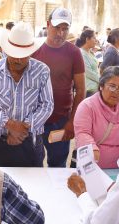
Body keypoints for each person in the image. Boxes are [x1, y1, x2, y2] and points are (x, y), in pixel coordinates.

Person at [0, 22, 53, 167]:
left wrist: (23, 128)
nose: (18, 60)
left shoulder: (42, 71)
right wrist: (9, 125)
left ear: (31, 52)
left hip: (31, 140)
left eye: (23, 56)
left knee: (32, 186)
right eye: (14, 54)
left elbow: (47, 104)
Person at [32, 7, 85, 167]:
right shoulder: (34, 50)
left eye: (65, 28)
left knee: (58, 167)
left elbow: (81, 90)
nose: (61, 33)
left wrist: (71, 121)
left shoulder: (74, 53)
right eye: (57, 28)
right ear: (48, 24)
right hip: (35, 120)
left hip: (61, 121)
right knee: (33, 166)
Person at [74, 66, 119, 168]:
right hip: (94, 167)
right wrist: (91, 147)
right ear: (101, 86)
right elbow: (82, 133)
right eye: (112, 86)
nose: (116, 91)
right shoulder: (87, 106)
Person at [76, 29, 99, 97]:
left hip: (95, 89)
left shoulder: (91, 53)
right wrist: (103, 81)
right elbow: (89, 72)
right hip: (89, 91)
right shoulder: (81, 53)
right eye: (94, 38)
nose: (96, 40)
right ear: (87, 39)